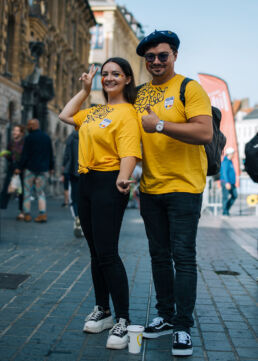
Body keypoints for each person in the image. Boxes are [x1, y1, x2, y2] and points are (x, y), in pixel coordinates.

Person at [134, 30, 213, 356]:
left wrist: (162, 125)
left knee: (183, 257)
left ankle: (182, 325)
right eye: (149, 57)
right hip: (150, 188)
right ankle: (165, 316)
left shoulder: (188, 88)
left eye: (162, 55)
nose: (155, 61)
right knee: (158, 257)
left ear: (175, 55)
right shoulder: (139, 95)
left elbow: (204, 131)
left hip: (184, 187)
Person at [59, 58, 141, 350]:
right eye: (105, 74)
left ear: (127, 79)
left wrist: (123, 177)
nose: (109, 78)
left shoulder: (128, 113)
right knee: (95, 252)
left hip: (110, 182)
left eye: (115, 74)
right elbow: (65, 115)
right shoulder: (94, 111)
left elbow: (130, 148)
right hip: (86, 182)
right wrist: (84, 90)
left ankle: (123, 320)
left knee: (108, 253)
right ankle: (103, 310)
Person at [15, 118, 54, 223]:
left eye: (29, 125)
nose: (27, 127)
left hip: (30, 170)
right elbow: (51, 154)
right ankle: (42, 214)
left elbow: (25, 155)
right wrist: (51, 167)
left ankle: (27, 214)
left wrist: (19, 167)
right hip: (43, 169)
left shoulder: (29, 138)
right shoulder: (47, 138)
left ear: (33, 126)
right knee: (40, 193)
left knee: (27, 192)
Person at [0, 124, 25, 220]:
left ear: (21, 133)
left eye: (16, 130)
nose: (14, 132)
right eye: (14, 130)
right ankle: (2, 206)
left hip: (21, 169)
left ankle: (21, 211)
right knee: (6, 188)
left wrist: (19, 167)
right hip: (12, 168)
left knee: (21, 191)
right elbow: (10, 156)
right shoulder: (11, 143)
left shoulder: (24, 143)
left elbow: (24, 156)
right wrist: (6, 155)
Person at [62, 130, 83, 237]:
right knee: (85, 197)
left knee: (74, 197)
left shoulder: (71, 137)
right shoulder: (89, 134)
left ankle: (77, 217)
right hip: (86, 171)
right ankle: (83, 222)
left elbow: (66, 154)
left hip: (73, 171)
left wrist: (64, 165)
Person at [220, 147, 237, 216]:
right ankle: (224, 212)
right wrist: (227, 182)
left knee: (235, 195)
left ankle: (226, 209)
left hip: (231, 183)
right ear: (229, 154)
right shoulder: (225, 162)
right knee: (225, 197)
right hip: (226, 182)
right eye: (233, 153)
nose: (233, 155)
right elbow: (224, 173)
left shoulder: (230, 162)